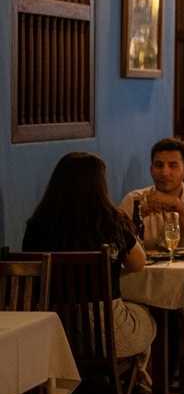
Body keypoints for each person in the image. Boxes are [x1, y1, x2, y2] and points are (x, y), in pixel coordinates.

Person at [25, 153, 156, 360]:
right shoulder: (111, 222)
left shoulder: (37, 224)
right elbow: (138, 263)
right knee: (149, 316)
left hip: (58, 330)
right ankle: (136, 380)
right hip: (107, 333)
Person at [120, 138, 184, 249]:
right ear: (151, 170)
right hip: (146, 266)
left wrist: (179, 206)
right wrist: (138, 216)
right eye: (159, 165)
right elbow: (117, 244)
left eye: (173, 165)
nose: (165, 172)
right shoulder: (134, 199)